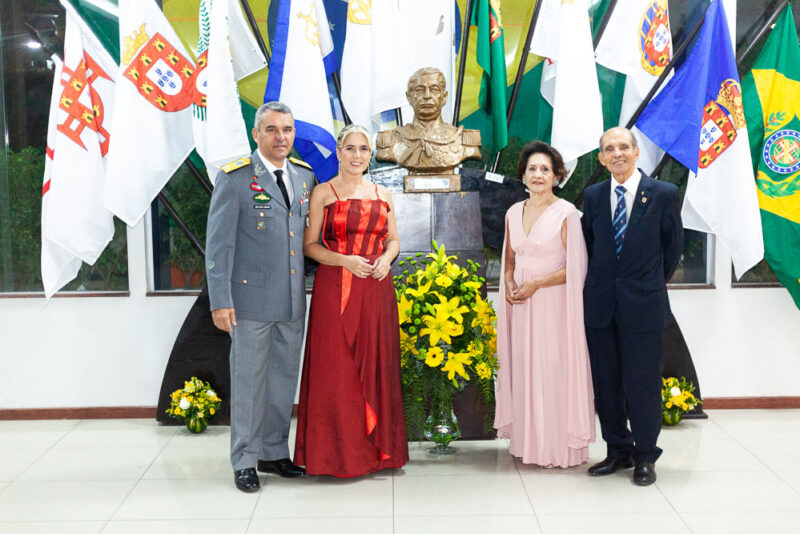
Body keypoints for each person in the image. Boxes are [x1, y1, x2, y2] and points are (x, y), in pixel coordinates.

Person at [205, 101, 313, 492]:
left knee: (283, 379)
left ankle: (272, 450)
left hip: (290, 300)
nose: (280, 137)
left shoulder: (304, 178)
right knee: (249, 381)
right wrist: (220, 300)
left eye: (286, 129)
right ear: (256, 134)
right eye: (271, 129)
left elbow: (302, 240)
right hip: (248, 302)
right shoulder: (235, 179)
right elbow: (218, 247)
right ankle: (245, 459)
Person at [294, 124, 409, 477]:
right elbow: (309, 246)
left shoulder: (383, 193)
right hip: (336, 287)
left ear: (369, 154)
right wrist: (345, 260)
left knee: (377, 364)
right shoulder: (323, 193)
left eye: (363, 149)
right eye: (350, 148)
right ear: (339, 152)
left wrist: (387, 260)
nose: (356, 155)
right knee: (337, 368)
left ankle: (378, 453)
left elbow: (393, 240)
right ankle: (335, 456)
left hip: (375, 288)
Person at [582, 127, 683, 486]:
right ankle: (618, 450)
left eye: (623, 146)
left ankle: (644, 456)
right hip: (601, 306)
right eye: (609, 149)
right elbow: (590, 247)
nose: (617, 153)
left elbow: (671, 250)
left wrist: (647, 281)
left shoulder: (663, 194)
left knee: (643, 384)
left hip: (645, 305)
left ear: (636, 152)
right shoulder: (592, 196)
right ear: (601, 158)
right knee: (606, 383)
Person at [494, 141, 596, 468]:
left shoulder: (566, 214)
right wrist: (509, 282)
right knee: (524, 368)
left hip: (553, 304)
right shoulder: (512, 212)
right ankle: (529, 443)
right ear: (523, 174)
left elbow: (576, 267)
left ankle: (556, 447)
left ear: (556, 176)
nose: (538, 175)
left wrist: (537, 283)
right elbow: (509, 258)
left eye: (545, 170)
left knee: (551, 370)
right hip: (521, 306)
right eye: (532, 169)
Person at [376, 67, 481, 174]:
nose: (427, 96)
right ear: (409, 97)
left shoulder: (462, 140)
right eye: (420, 91)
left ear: (444, 97)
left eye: (434, 90)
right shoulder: (393, 141)